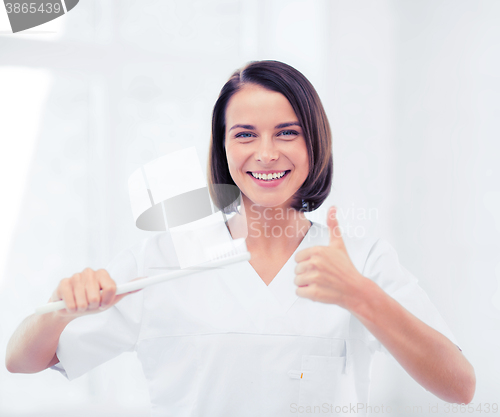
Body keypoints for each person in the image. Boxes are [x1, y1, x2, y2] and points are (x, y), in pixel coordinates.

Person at [6, 60, 475, 416]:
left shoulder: (362, 261)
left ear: (315, 143)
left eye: (287, 132)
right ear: (224, 146)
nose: (266, 154)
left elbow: (460, 386)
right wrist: (63, 307)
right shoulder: (164, 259)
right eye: (245, 134)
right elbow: (23, 360)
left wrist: (361, 296)